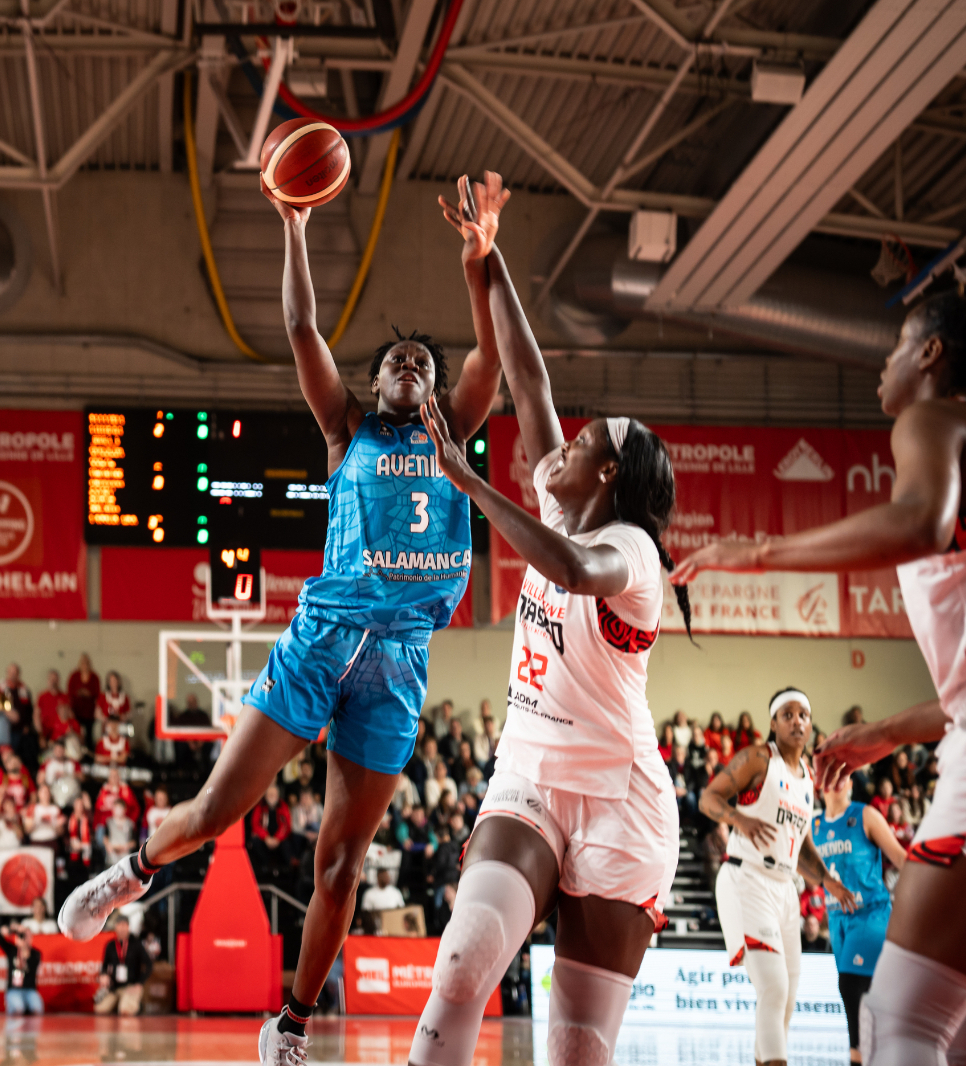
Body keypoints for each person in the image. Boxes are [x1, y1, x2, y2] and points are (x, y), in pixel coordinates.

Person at [60, 173, 507, 1066]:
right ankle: (130, 875)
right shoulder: (345, 429)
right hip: (320, 644)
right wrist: (296, 228)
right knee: (218, 808)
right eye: (394, 360)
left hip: (399, 665)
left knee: (339, 868)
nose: (408, 367)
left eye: (420, 361)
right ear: (372, 381)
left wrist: (479, 261)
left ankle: (290, 1029)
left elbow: (488, 358)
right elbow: (304, 330)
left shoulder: (454, 429)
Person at [678, 288, 966, 1066]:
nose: (884, 364)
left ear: (931, 354)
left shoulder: (937, 421)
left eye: (897, 344)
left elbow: (921, 520)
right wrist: (888, 732)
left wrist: (754, 553)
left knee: (900, 1025)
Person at [405, 173, 689, 1066]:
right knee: (461, 964)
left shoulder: (633, 555)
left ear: (607, 478)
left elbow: (566, 567)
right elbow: (528, 372)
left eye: (582, 444)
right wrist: (487, 262)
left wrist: (469, 483)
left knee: (576, 1049)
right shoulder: (561, 501)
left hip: (621, 804)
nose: (557, 447)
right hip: (530, 774)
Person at [699, 689, 855, 1066]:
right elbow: (708, 799)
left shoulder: (807, 779)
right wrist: (740, 818)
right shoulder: (757, 758)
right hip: (746, 878)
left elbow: (802, 846)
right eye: (787, 714)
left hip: (785, 888)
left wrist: (828, 882)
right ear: (773, 722)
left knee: (787, 997)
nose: (797, 720)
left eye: (803, 714)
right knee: (773, 987)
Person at [813, 774, 909, 1064]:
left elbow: (901, 857)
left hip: (871, 913)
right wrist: (823, 880)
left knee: (851, 985)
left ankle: (858, 1057)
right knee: (862, 997)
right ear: (821, 785)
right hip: (836, 920)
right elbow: (803, 865)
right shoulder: (814, 825)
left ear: (852, 783)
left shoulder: (865, 814)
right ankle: (881, 1053)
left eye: (845, 774)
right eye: (833, 774)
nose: (838, 779)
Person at [94, 915, 151, 1016]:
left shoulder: (136, 944)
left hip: (131, 986)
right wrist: (103, 975)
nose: (122, 928)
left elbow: (148, 964)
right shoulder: (111, 945)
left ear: (128, 927)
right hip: (114, 987)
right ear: (115, 927)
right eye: (119, 925)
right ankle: (118, 1003)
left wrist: (140, 983)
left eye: (124, 925)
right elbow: (104, 965)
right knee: (100, 1009)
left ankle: (134, 1004)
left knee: (125, 1011)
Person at [0, 923, 44, 1015]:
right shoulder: (12, 950)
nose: (23, 938)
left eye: (26, 936)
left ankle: (27, 1013)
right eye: (21, 936)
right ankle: (13, 1006)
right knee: (18, 1008)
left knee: (37, 1008)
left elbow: (31, 967)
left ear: (30, 938)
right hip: (14, 989)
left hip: (30, 990)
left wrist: (24, 949)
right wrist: (10, 928)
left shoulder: (35, 953)